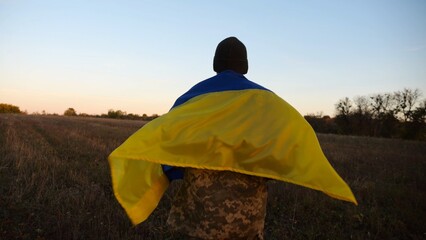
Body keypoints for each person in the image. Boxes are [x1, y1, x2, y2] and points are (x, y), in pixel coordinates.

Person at [108, 37, 357, 240]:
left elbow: (170, 143)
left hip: (197, 222)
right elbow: (292, 136)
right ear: (245, 66)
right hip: (246, 222)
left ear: (215, 63)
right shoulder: (268, 104)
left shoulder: (193, 99)